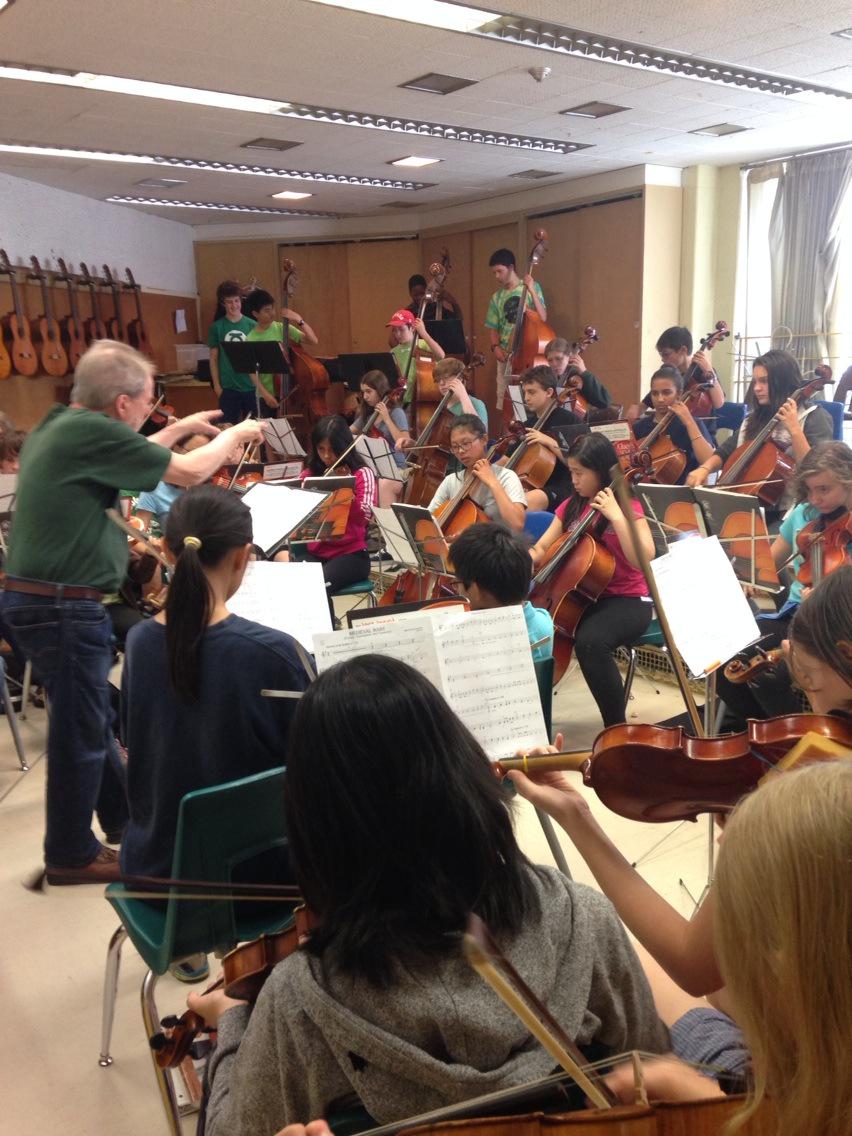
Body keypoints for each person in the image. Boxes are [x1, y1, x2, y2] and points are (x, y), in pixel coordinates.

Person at [188, 655, 669, 1133]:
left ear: (316, 827)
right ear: (465, 774)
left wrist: (230, 1027)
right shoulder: (584, 918)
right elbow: (661, 1084)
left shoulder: (297, 1005)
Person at [0, 340, 263, 883]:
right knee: (80, 730)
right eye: (148, 401)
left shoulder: (58, 424)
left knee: (90, 722)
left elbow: (130, 458)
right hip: (60, 605)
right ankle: (71, 854)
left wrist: (174, 428)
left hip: (36, 601)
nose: (152, 409)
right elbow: (188, 473)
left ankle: (123, 823)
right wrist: (236, 434)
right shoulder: (89, 433)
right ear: (121, 405)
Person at [120, 485, 310, 885]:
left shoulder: (137, 643)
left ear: (168, 552)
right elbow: (317, 770)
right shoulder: (275, 654)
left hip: (155, 870)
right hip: (253, 880)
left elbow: (137, 746)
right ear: (244, 556)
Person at [714, 441, 852, 729]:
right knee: (723, 662)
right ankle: (768, 734)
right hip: (795, 613)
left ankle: (807, 738)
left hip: (839, 622)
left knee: (772, 675)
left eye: (824, 489)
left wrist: (826, 596)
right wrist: (752, 578)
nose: (815, 499)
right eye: (809, 490)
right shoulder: (803, 515)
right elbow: (767, 563)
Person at [529, 433, 654, 727]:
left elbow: (643, 558)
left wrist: (616, 516)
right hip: (579, 595)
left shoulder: (628, 506)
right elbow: (545, 547)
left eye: (579, 473)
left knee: (591, 642)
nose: (573, 480)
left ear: (600, 470)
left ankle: (616, 727)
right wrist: (529, 555)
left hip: (626, 599)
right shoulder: (573, 505)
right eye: (571, 472)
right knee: (526, 621)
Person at [687, 349, 833, 517]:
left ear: (782, 382)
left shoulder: (814, 416)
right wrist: (704, 469)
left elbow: (816, 470)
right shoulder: (754, 418)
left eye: (764, 381)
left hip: (792, 511)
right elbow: (728, 449)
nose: (756, 388)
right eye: (755, 381)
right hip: (749, 507)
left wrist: (794, 429)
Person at [282, 415, 376, 595]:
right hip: (315, 553)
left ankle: (330, 624)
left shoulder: (362, 473)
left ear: (345, 448)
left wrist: (346, 490)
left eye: (333, 450)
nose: (326, 456)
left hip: (351, 555)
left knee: (316, 589)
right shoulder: (309, 474)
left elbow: (364, 518)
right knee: (295, 587)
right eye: (321, 449)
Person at [449, 524, 554, 661]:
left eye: (457, 583)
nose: (456, 589)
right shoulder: (543, 619)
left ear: (476, 591)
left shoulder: (475, 643)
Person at [500, 364, 582, 512]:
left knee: (523, 503)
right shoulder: (527, 425)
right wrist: (487, 470)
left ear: (549, 392)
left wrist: (547, 441)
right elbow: (507, 459)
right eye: (524, 392)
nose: (526, 398)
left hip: (564, 486)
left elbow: (579, 461)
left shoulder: (569, 420)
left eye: (531, 392)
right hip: (532, 484)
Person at [428, 414, 526, 532]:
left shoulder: (507, 477)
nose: (460, 451)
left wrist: (493, 482)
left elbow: (517, 524)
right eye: (455, 447)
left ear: (484, 439)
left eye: (466, 443)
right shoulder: (451, 481)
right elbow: (429, 519)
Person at [632, 365, 715, 484]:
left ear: (679, 394)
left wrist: (689, 422)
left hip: (684, 492)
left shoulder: (693, 423)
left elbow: (708, 461)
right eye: (655, 393)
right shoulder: (640, 427)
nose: (660, 399)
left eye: (666, 393)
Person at [246, 287, 319, 414]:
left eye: (272, 309)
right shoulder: (250, 338)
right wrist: (266, 394)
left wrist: (299, 320)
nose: (272, 313)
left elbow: (313, 340)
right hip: (265, 395)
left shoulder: (281, 328)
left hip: (289, 390)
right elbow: (251, 372)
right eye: (267, 311)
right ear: (255, 314)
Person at [350, 369, 410, 507]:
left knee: (383, 483)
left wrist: (387, 419)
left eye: (369, 391)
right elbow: (348, 433)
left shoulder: (397, 413)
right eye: (363, 392)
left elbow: (406, 444)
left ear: (380, 390)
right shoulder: (367, 415)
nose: (365, 396)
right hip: (373, 468)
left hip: (396, 469)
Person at [485, 248, 547, 368]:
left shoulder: (531, 287)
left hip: (528, 350)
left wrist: (532, 290)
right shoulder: (496, 297)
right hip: (506, 354)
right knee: (503, 387)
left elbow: (543, 317)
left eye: (499, 271)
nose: (497, 276)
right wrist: (495, 347)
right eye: (494, 273)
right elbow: (493, 328)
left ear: (511, 268)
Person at [654, 325, 725, 428]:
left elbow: (719, 402)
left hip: (701, 432)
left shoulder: (703, 371)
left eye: (666, 354)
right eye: (661, 355)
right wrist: (641, 406)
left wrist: (708, 369)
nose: (663, 359)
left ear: (683, 350)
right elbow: (655, 394)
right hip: (674, 429)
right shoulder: (671, 374)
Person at [207, 280, 258, 423]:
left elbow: (258, 357)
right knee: (227, 430)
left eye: (236, 300)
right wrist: (217, 386)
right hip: (228, 388)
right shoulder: (216, 327)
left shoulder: (252, 325)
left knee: (253, 431)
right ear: (223, 303)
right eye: (229, 302)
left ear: (241, 301)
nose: (234, 305)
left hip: (250, 387)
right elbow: (214, 359)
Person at [386, 308, 446, 410]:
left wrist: (423, 332)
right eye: (394, 330)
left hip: (421, 396)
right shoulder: (393, 352)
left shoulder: (422, 344)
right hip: (402, 399)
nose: (397, 334)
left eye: (401, 329)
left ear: (412, 328)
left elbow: (441, 356)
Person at [544, 338, 611, 414]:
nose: (554, 364)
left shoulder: (577, 379)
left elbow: (604, 402)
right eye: (550, 360)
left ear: (569, 356)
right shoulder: (546, 378)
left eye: (559, 358)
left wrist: (584, 372)